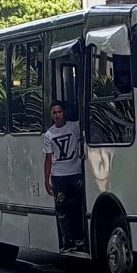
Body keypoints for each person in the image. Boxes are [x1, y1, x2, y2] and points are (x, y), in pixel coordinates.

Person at [43, 100, 83, 253]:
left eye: (59, 112)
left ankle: (80, 236)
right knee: (61, 208)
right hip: (59, 175)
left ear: (64, 112)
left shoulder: (74, 127)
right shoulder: (49, 134)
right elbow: (48, 158)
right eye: (54, 113)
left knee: (79, 204)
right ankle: (67, 240)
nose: (57, 115)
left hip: (76, 173)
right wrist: (47, 180)